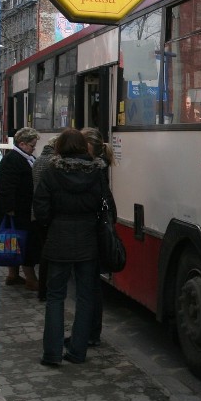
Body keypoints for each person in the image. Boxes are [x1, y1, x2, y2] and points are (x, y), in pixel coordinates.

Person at [33, 128, 106, 366]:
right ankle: (78, 352)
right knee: (86, 297)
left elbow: (41, 207)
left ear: (60, 147)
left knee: (55, 297)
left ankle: (52, 354)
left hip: (58, 239)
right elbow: (106, 207)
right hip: (88, 240)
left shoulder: (52, 172)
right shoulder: (97, 173)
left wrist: (51, 224)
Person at [80, 127, 116, 347]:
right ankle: (90, 333)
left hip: (92, 234)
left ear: (88, 147)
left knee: (90, 287)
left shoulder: (93, 171)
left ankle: (90, 334)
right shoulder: (99, 168)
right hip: (97, 231)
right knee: (92, 286)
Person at [0, 127, 41, 290]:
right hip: (18, 210)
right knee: (24, 242)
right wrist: (10, 209)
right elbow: (6, 187)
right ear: (22, 144)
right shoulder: (13, 160)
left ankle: (13, 274)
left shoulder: (24, 157)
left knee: (14, 241)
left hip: (20, 208)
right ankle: (31, 278)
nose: (33, 148)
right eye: (32, 145)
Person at [31, 135, 58, 302]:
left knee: (44, 253)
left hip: (38, 212)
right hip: (48, 213)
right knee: (49, 255)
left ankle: (43, 290)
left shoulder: (38, 159)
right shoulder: (52, 163)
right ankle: (46, 290)